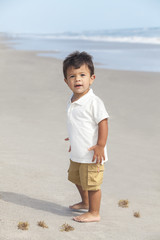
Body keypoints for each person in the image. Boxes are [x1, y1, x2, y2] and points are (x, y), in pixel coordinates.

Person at [63, 51, 109, 223]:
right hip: (78, 151)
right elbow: (78, 123)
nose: (78, 79)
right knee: (76, 178)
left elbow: (102, 122)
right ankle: (85, 202)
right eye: (72, 76)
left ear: (92, 78)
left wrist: (100, 145)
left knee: (92, 184)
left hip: (92, 154)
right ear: (66, 81)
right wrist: (73, 138)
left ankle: (94, 212)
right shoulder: (72, 99)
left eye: (82, 75)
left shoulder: (93, 102)